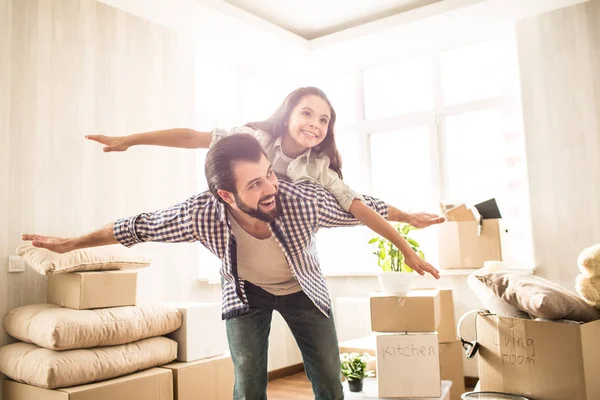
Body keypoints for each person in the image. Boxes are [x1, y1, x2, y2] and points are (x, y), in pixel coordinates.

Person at [23, 134, 439, 400]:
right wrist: (72, 243)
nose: (269, 188)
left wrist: (409, 219)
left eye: (267, 176)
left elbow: (360, 208)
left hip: (303, 289)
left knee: (329, 379)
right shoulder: (198, 214)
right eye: (254, 184)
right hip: (246, 293)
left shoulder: (301, 200)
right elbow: (136, 227)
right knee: (248, 380)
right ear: (225, 194)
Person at [86, 86, 444, 276]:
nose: (315, 125)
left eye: (324, 121)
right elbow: (193, 137)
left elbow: (357, 206)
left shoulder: (318, 166)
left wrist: (406, 240)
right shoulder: (253, 139)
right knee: (172, 216)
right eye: (307, 113)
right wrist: (130, 139)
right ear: (287, 114)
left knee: (348, 203)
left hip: (287, 241)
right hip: (242, 229)